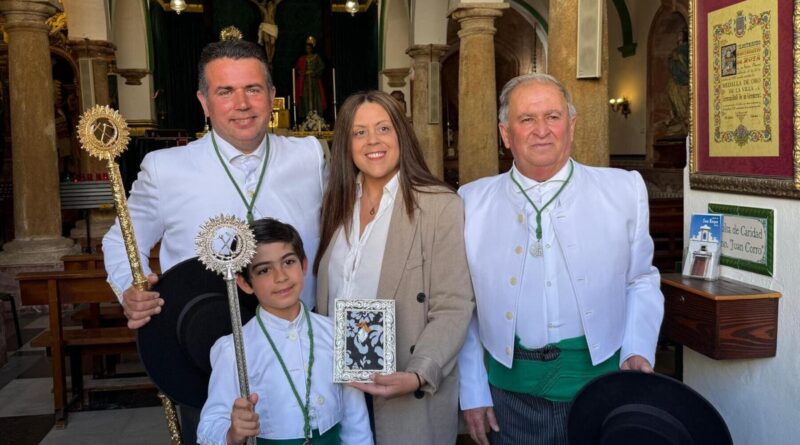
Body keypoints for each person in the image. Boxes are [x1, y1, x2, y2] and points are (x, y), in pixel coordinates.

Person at [102, 39, 326, 444]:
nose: (242, 103)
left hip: (303, 348)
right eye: (225, 91)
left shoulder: (309, 156)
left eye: (253, 89)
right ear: (204, 102)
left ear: (272, 96)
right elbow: (121, 240)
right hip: (205, 351)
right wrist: (130, 286)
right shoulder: (166, 168)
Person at [457, 73, 664, 445]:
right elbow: (464, 304)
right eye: (526, 119)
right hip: (510, 394)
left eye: (552, 117)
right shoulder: (471, 202)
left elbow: (640, 279)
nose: (542, 130)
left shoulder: (623, 189)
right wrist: (473, 389)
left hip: (602, 384)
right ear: (506, 134)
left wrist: (637, 347)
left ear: (571, 125)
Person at [314, 90, 474, 444]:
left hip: (405, 384)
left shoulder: (439, 206)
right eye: (359, 132)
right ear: (346, 143)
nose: (373, 141)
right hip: (338, 387)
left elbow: (453, 306)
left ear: (402, 134)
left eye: (384, 128)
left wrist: (419, 374)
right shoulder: (335, 205)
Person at [197, 218, 372, 445]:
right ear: (244, 283)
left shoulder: (339, 333)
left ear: (304, 265)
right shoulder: (234, 349)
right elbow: (209, 427)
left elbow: (355, 420)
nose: (281, 277)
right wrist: (232, 434)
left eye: (288, 262)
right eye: (264, 270)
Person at [294, 36, 326, 120]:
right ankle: (307, 115)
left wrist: (314, 72)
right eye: (306, 48)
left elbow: (321, 67)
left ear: (312, 48)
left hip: (314, 81)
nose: (308, 49)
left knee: (315, 97)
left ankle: (316, 115)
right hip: (305, 82)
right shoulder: (302, 58)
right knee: (305, 97)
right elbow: (297, 69)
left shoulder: (316, 57)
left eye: (309, 48)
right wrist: (301, 72)